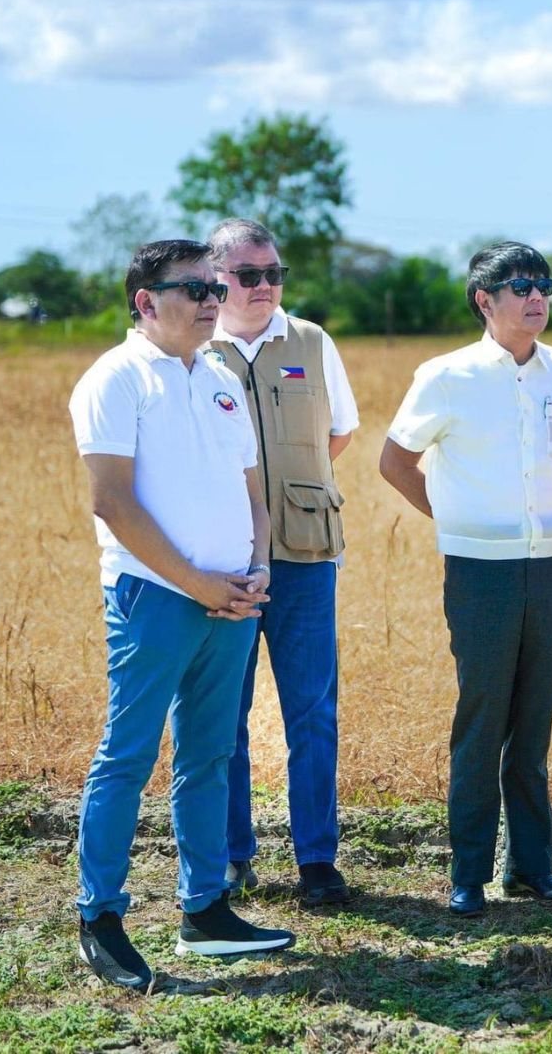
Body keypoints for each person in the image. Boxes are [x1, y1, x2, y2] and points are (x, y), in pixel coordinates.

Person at [68, 240, 297, 991]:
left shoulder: (222, 376)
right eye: (192, 287)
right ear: (144, 301)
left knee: (210, 757)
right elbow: (112, 502)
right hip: (156, 597)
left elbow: (252, 495)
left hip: (234, 596)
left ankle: (205, 911)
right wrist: (198, 583)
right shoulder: (116, 379)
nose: (212, 297)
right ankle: (99, 918)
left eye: (213, 284)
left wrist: (256, 568)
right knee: (128, 756)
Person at [379, 242, 552, 919]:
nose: (536, 297)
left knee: (534, 722)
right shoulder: (444, 376)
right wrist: (452, 517)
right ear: (484, 299)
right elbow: (395, 462)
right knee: (483, 719)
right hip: (478, 571)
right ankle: (468, 874)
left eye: (543, 284)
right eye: (520, 286)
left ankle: (533, 870)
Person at [206, 218, 361, 906]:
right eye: (249, 274)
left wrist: (292, 494)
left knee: (312, 713)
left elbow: (340, 433)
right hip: (219, 562)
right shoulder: (191, 349)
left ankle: (317, 861)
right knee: (221, 718)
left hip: (304, 557)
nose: (265, 285)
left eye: (274, 273)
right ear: (214, 278)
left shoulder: (311, 343)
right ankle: (232, 856)